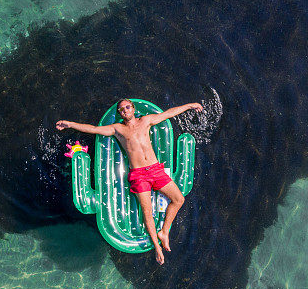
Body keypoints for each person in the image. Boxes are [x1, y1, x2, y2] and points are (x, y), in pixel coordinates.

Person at [56, 99, 203, 264]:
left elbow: (167, 113)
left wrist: (190, 106)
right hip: (139, 175)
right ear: (120, 113)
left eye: (127, 107)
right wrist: (70, 124)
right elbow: (94, 129)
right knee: (147, 213)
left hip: (156, 170)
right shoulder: (118, 129)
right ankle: (157, 247)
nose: (125, 110)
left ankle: (164, 232)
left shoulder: (146, 121)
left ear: (133, 108)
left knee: (179, 199)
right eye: (121, 109)